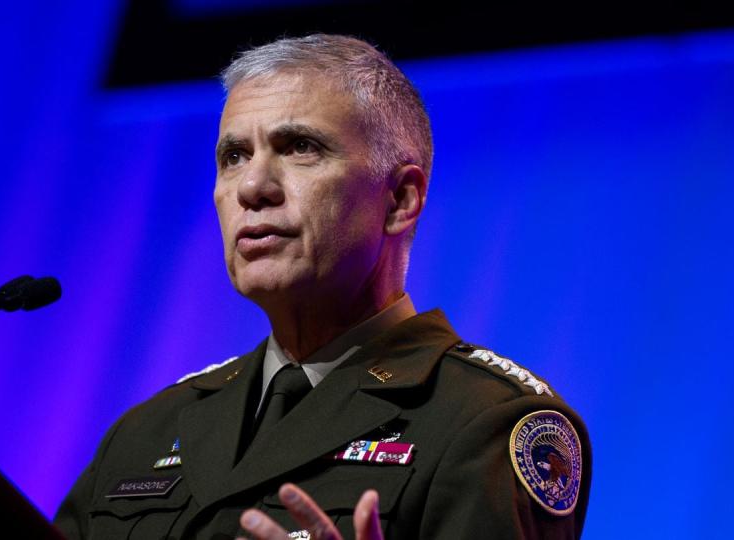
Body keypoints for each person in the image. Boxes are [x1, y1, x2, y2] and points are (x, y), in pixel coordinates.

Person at [54, 34, 592, 540]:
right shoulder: (148, 430)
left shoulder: (488, 423)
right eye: (233, 156)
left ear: (400, 200)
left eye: (300, 147)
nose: (252, 187)